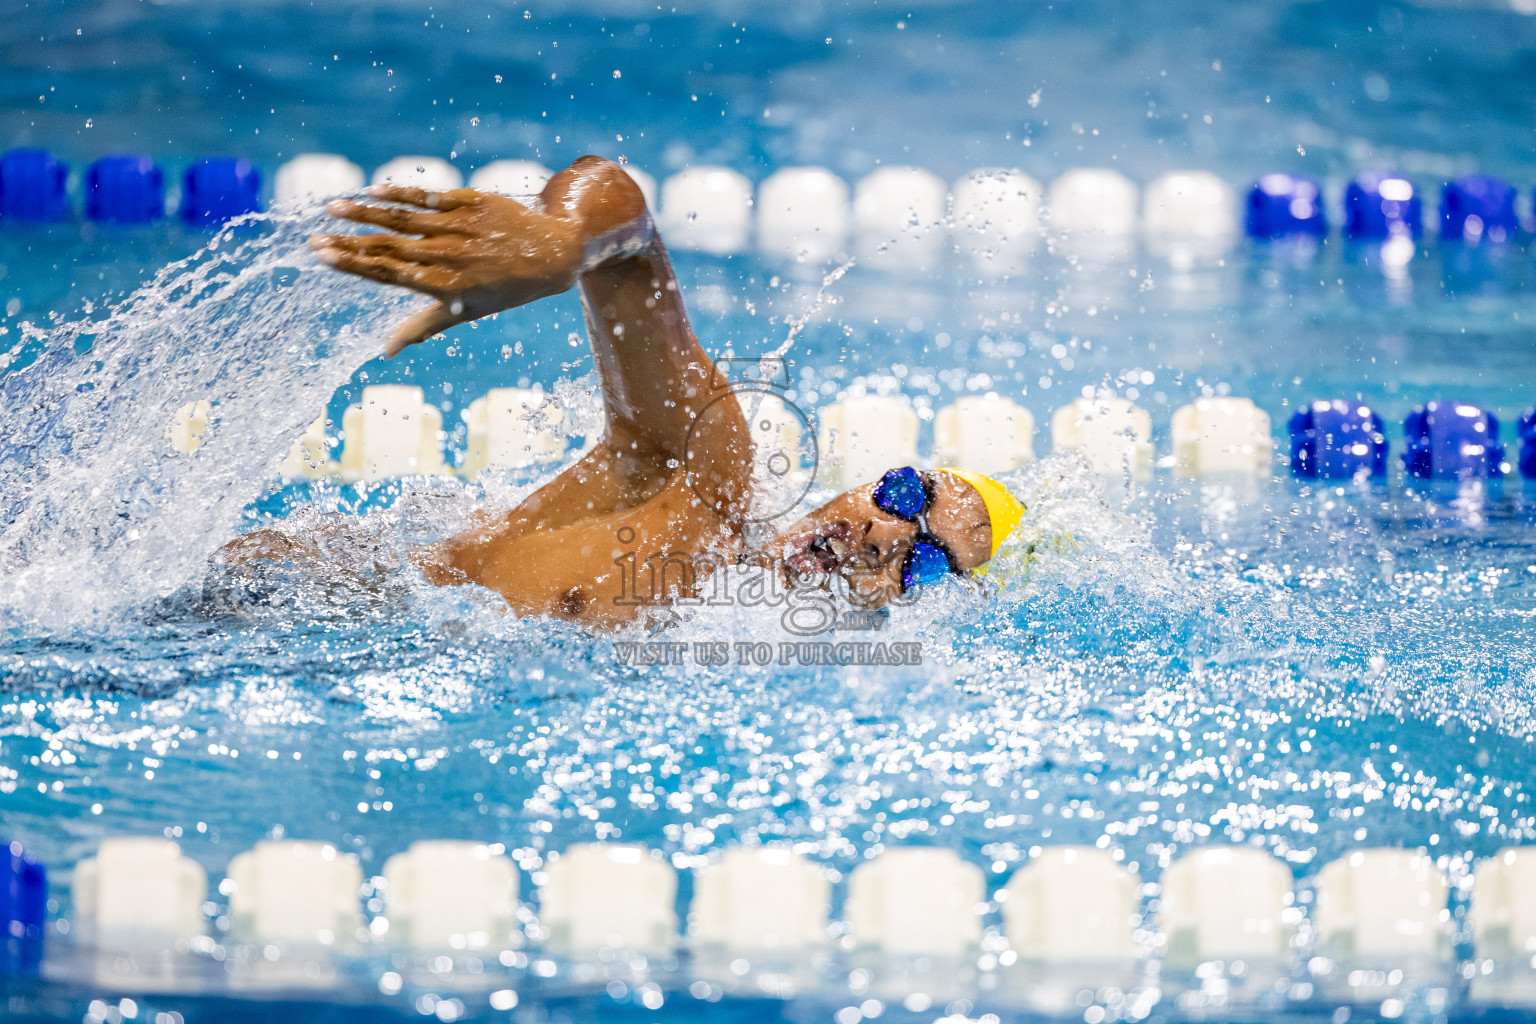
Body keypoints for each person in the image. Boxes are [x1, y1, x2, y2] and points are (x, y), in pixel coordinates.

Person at [288, 155, 1024, 629]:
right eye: (902, 494)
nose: (886, 534)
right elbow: (624, 216)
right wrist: (561, 242)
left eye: (924, 561)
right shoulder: (700, 489)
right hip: (274, 608)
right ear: (866, 484)